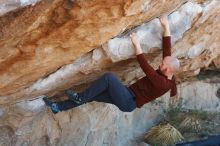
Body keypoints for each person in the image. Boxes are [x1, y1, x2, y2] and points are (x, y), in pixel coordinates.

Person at [43, 15, 180, 114]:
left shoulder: (163, 84)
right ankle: (58, 107)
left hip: (128, 102)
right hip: (127, 93)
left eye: (162, 65)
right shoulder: (168, 72)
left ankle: (79, 98)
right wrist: (166, 26)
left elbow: (146, 68)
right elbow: (167, 49)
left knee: (109, 77)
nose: (160, 64)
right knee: (93, 95)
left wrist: (137, 45)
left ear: (168, 70)